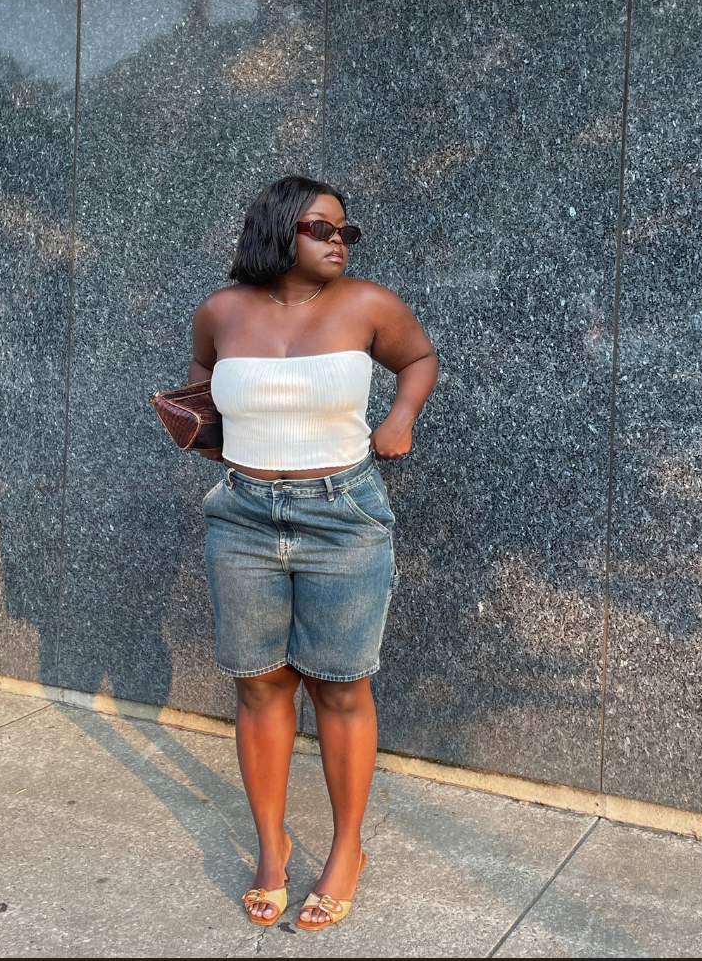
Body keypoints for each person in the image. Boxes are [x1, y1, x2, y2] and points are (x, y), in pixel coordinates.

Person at [188, 175, 438, 931]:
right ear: (275, 231)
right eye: (322, 229)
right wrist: (201, 428)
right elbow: (203, 385)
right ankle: (271, 848)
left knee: (339, 685)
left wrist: (400, 418)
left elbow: (419, 359)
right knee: (260, 685)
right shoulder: (221, 312)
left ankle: (346, 850)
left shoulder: (368, 305)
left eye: (345, 232)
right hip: (241, 515)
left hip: (343, 514)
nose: (339, 242)